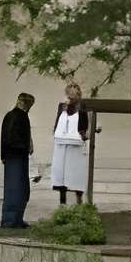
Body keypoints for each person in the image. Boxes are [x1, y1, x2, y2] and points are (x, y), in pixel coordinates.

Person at [48, 83, 94, 212]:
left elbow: (86, 127)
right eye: (69, 96)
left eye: (74, 97)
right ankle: (62, 203)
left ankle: (78, 201)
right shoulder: (62, 107)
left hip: (76, 145)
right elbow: (57, 123)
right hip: (61, 144)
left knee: (76, 173)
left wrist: (87, 134)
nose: (71, 99)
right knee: (61, 174)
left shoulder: (83, 107)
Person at [0, 91, 35, 228]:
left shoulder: (14, 116)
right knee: (16, 189)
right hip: (16, 156)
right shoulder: (17, 117)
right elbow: (9, 138)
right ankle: (11, 220)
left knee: (19, 189)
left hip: (14, 156)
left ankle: (15, 218)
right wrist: (25, 146)